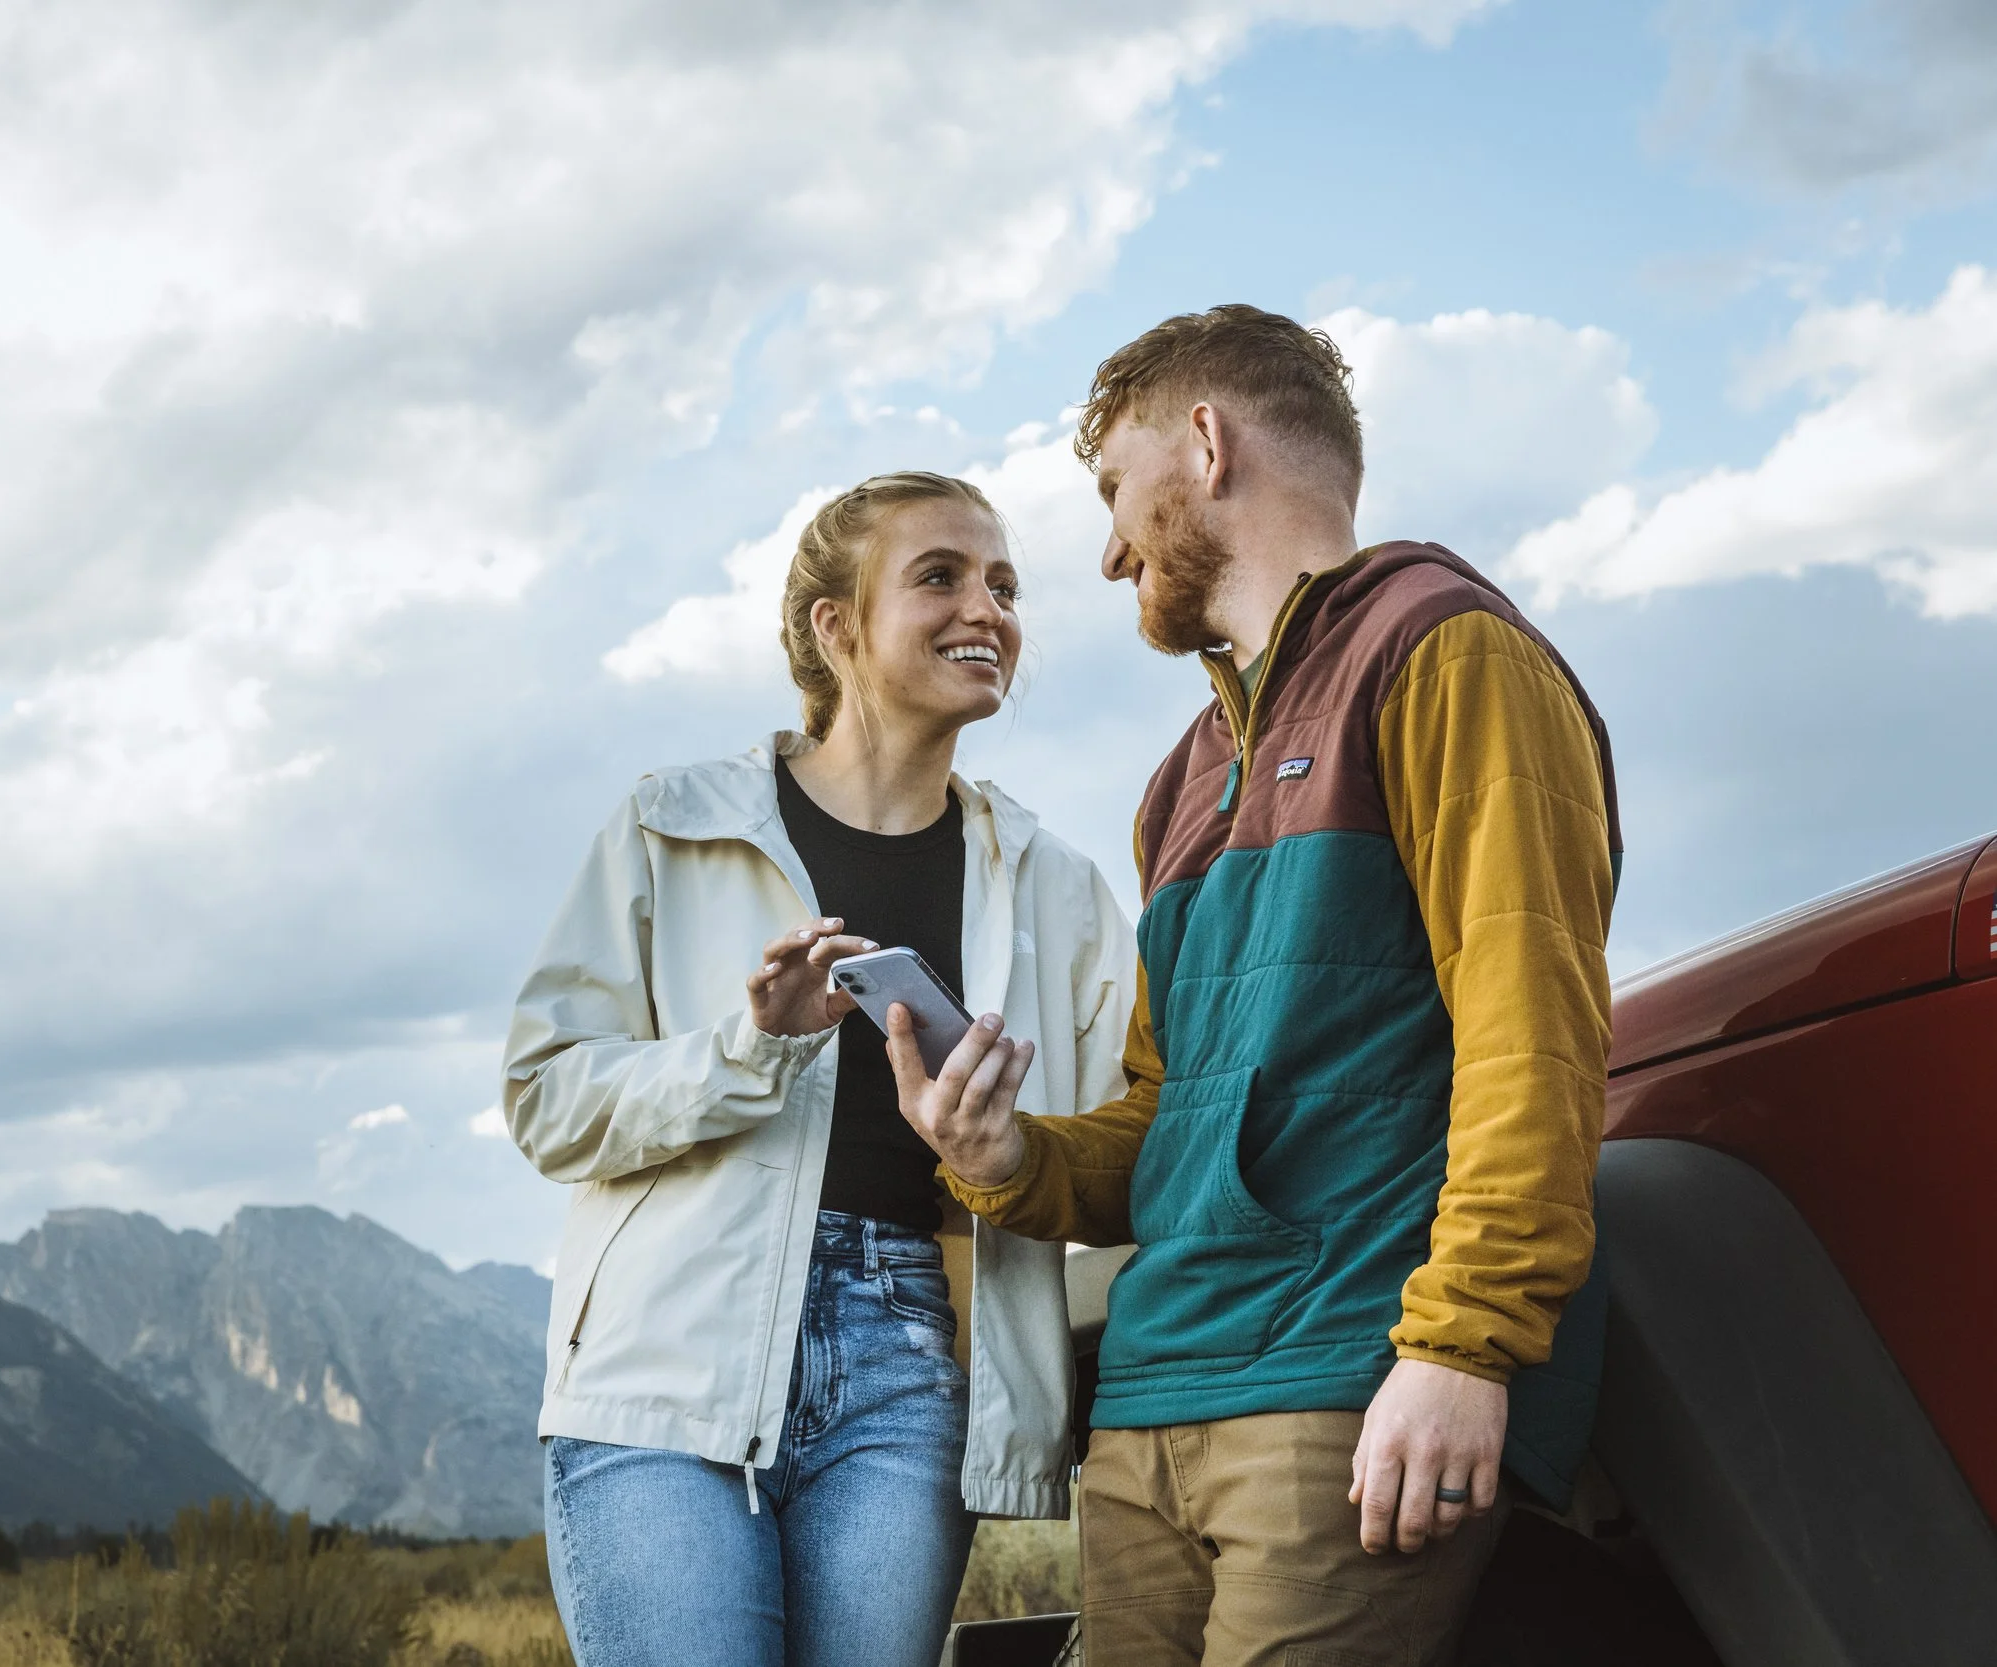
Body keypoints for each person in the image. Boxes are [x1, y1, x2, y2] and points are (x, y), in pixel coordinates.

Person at [891, 307, 1620, 1667]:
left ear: (1208, 443)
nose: (1109, 550)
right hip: (1155, 1403)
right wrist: (1002, 1154)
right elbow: (1173, 1119)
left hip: (1343, 1391)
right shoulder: (1182, 780)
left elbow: (1537, 1044)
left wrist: (1464, 1345)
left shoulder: (1445, 651)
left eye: (1115, 489)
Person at [501, 471, 1136, 1667]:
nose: (987, 610)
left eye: (1003, 585)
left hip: (915, 1358)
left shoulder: (1056, 882)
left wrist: (1003, 1152)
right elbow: (545, 1100)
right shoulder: (667, 825)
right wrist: (751, 1051)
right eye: (939, 576)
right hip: (666, 1363)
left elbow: (1128, 1147)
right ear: (832, 625)